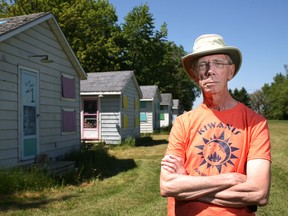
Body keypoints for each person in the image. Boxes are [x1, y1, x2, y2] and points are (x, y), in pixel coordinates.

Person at [160, 34, 271, 216]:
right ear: (196, 75)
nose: (210, 70)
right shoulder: (182, 123)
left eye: (218, 63)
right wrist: (230, 178)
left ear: (231, 71)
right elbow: (167, 185)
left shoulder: (255, 123)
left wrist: (187, 186)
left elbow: (258, 193)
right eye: (202, 65)